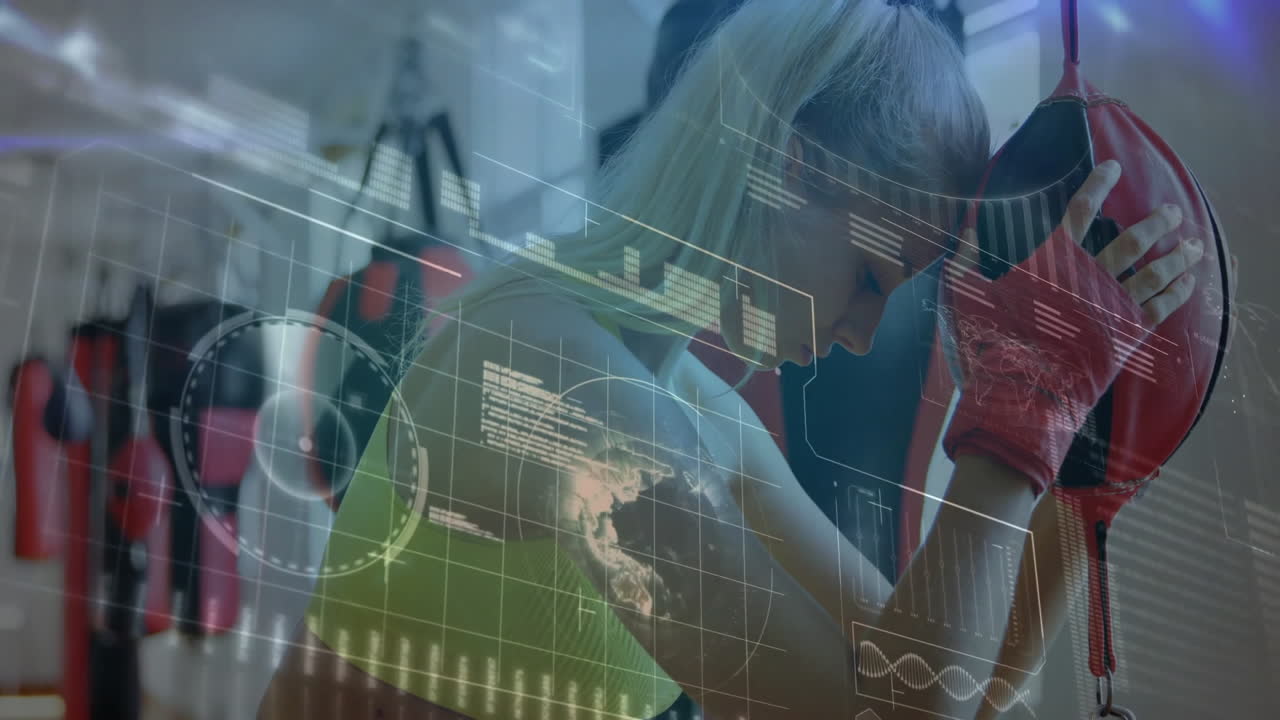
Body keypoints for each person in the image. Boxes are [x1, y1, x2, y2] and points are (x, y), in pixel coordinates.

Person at [257, 0, 1203, 718]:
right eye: (871, 276)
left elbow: (959, 681)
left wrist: (1086, 428)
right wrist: (1029, 401)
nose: (860, 334)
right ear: (791, 164)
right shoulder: (553, 381)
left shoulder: (700, 412)